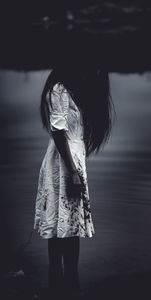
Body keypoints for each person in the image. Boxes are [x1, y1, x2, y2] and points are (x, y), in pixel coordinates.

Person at [33, 60, 116, 299]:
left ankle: (69, 284)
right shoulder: (58, 89)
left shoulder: (71, 91)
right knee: (62, 225)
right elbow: (59, 133)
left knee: (71, 224)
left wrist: (75, 169)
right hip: (63, 163)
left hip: (71, 160)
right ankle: (60, 284)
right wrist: (72, 171)